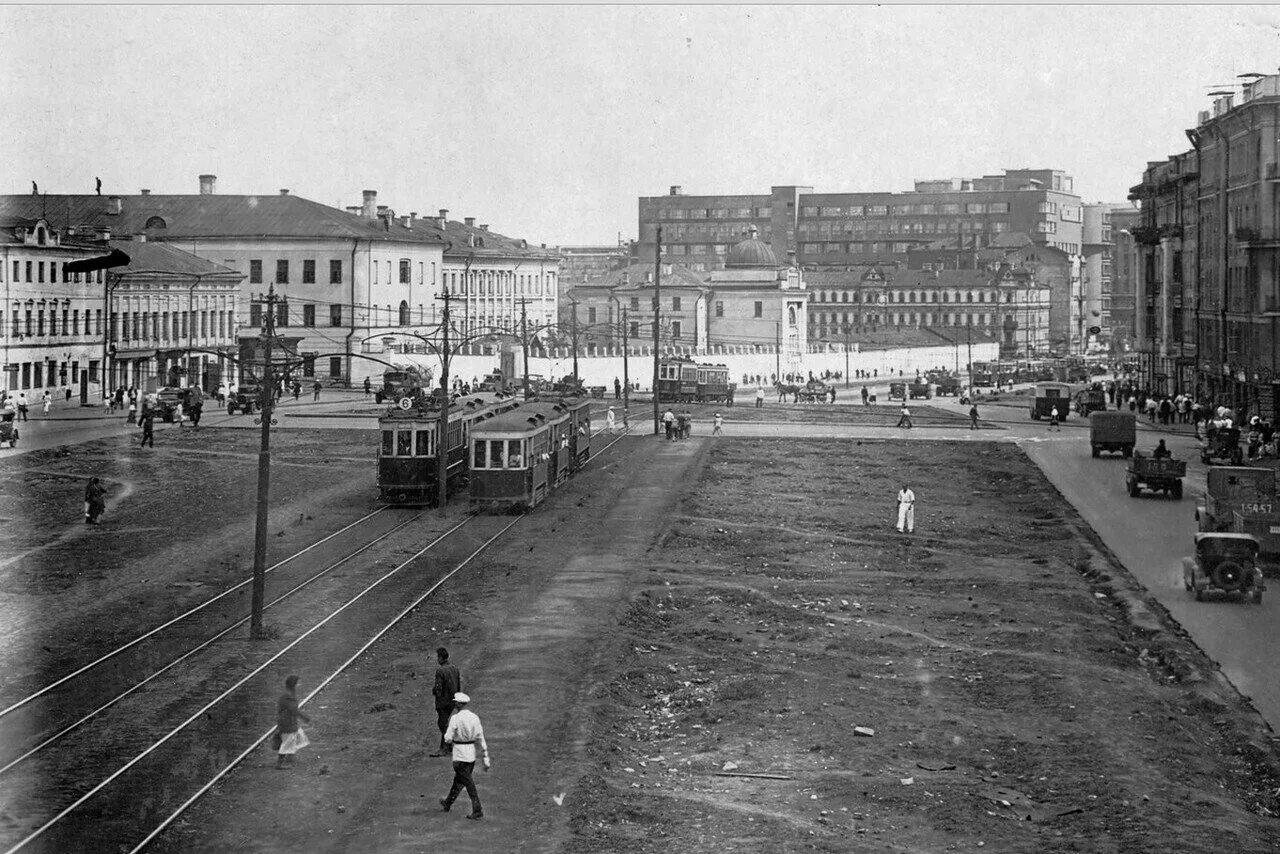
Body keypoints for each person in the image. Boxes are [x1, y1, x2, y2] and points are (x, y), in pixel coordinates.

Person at [439, 692, 490, 820]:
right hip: (470, 753)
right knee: (459, 781)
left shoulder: (455, 718)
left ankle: (477, 808)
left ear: (458, 704)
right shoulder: (474, 717)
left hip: (459, 754)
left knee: (467, 782)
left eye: (456, 702)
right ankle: (448, 803)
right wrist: (485, 755)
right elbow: (480, 736)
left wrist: (448, 739)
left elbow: (448, 738)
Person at [274, 674, 311, 769]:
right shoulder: (288, 696)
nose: (299, 684)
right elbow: (293, 710)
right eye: (298, 683)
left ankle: (290, 757)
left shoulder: (289, 693)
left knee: (297, 737)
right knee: (288, 742)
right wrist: (304, 717)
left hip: (289, 721)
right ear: (294, 684)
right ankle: (280, 763)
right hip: (287, 722)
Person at [430, 648, 462, 757]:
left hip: (443, 701)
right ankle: (447, 746)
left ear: (440, 657)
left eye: (437, 657)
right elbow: (458, 684)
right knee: (444, 722)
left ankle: (445, 747)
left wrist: (434, 692)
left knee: (442, 724)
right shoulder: (454, 668)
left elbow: (438, 688)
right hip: (452, 700)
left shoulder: (440, 671)